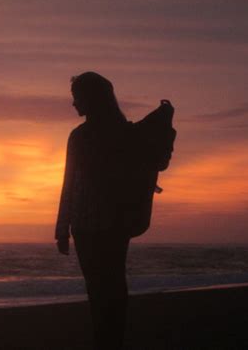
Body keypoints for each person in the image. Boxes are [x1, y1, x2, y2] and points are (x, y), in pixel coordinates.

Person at [55, 71, 154, 349]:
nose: (74, 104)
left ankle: (105, 339)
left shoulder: (80, 136)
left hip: (88, 225)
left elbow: (69, 184)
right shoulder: (123, 132)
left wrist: (62, 229)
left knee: (98, 288)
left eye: (77, 98)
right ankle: (113, 340)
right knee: (114, 284)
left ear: (91, 99)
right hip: (116, 223)